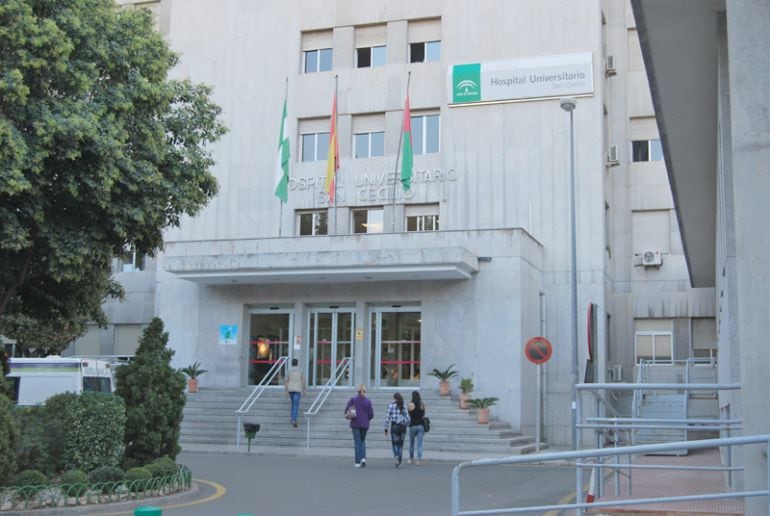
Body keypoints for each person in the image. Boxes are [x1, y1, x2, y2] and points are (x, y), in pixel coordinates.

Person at [345, 384, 374, 468]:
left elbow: (346, 409)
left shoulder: (353, 400)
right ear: (365, 391)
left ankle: (357, 462)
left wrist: (350, 414)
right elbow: (371, 414)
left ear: (357, 391)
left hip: (355, 423)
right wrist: (367, 419)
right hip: (365, 424)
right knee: (362, 441)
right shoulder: (368, 401)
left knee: (357, 442)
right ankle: (363, 458)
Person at [384, 392, 409, 467]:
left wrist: (386, 428)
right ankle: (399, 461)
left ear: (394, 398)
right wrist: (404, 421)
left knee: (395, 444)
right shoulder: (404, 406)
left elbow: (387, 418)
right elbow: (408, 418)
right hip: (402, 427)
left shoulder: (391, 406)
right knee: (400, 445)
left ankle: (396, 456)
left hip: (394, 426)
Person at [284, 358, 305, 428]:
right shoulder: (300, 371)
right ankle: (294, 419)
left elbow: (286, 381)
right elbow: (303, 381)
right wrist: (304, 389)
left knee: (293, 403)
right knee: (295, 404)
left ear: (291, 363)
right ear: (297, 363)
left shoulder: (289, 371)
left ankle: (292, 417)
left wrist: (286, 391)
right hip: (298, 389)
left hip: (290, 389)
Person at [407, 391, 426, 465]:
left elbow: (409, 414)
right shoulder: (422, 404)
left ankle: (411, 459)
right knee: (419, 444)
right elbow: (424, 414)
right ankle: (418, 460)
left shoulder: (410, 404)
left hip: (412, 425)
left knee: (412, 443)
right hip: (420, 425)